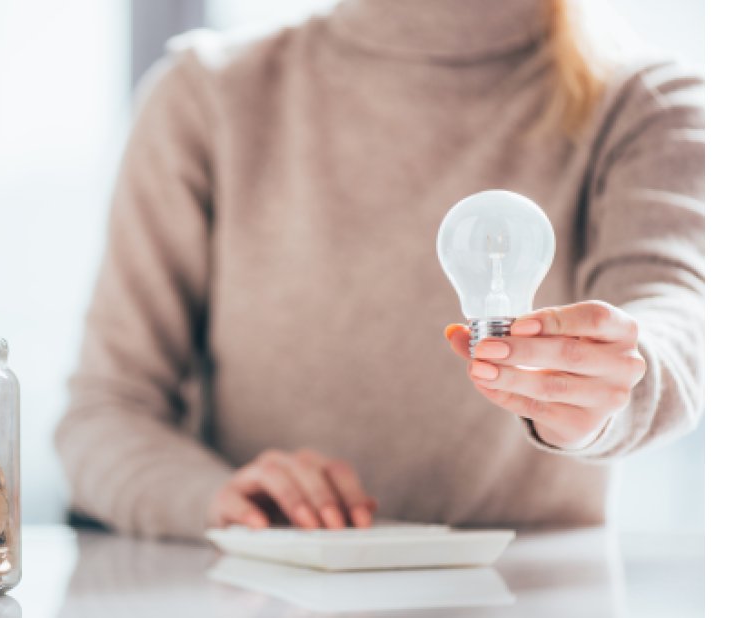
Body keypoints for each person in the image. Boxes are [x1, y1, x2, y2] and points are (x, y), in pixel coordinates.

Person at [54, 0, 704, 540]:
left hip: (523, 599)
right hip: (267, 597)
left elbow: (675, 326)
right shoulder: (210, 94)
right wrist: (221, 501)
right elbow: (105, 415)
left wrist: (602, 386)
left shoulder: (645, 103)